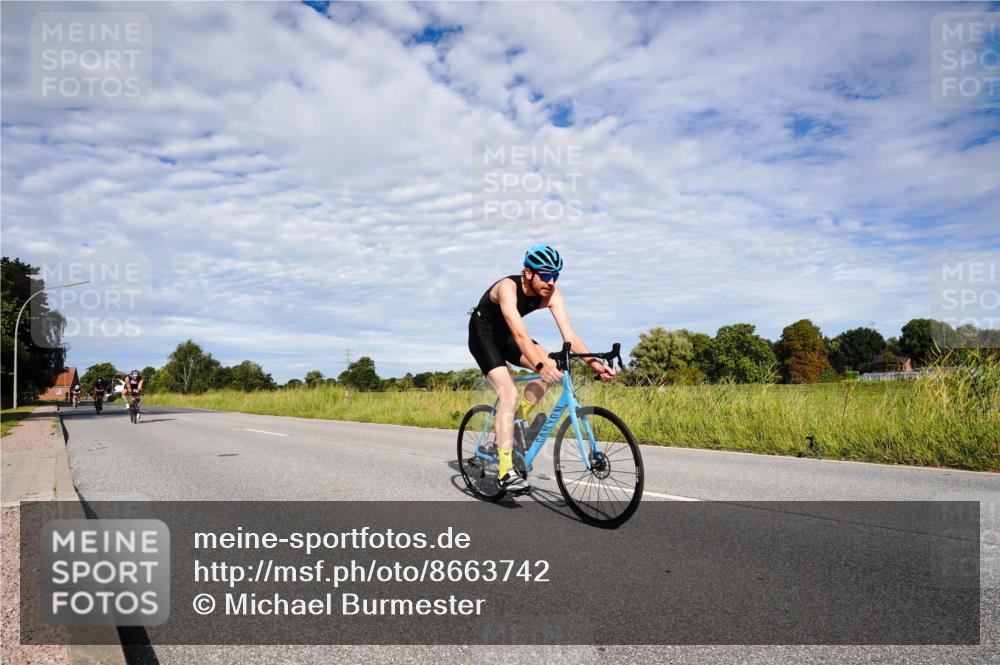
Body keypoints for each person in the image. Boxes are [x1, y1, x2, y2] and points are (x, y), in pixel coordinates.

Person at [467, 245, 616, 492]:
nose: (551, 281)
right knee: (509, 393)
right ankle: (505, 471)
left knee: (555, 364)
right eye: (546, 275)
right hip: (483, 335)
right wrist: (539, 366)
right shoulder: (507, 287)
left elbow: (570, 336)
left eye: (555, 275)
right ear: (528, 272)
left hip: (507, 336)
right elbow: (520, 335)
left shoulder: (552, 294)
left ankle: (517, 422)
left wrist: (595, 365)